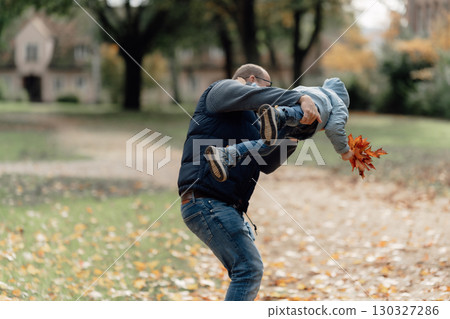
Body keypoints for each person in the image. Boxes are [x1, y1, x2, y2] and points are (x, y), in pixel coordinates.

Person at [177, 63, 321, 301]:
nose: (268, 96)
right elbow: (257, 95)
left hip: (224, 206)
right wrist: (301, 97)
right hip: (206, 200)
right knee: (249, 270)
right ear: (252, 79)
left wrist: (294, 133)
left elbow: (267, 164)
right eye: (268, 86)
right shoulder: (221, 90)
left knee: (245, 271)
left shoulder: (254, 122)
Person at [205, 78, 354, 182]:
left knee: (267, 144)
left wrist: (252, 87)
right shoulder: (339, 103)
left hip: (290, 112)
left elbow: (281, 95)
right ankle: (278, 116)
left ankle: (225, 154)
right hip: (308, 119)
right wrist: (344, 151)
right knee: (299, 116)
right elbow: (335, 128)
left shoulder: (309, 89)